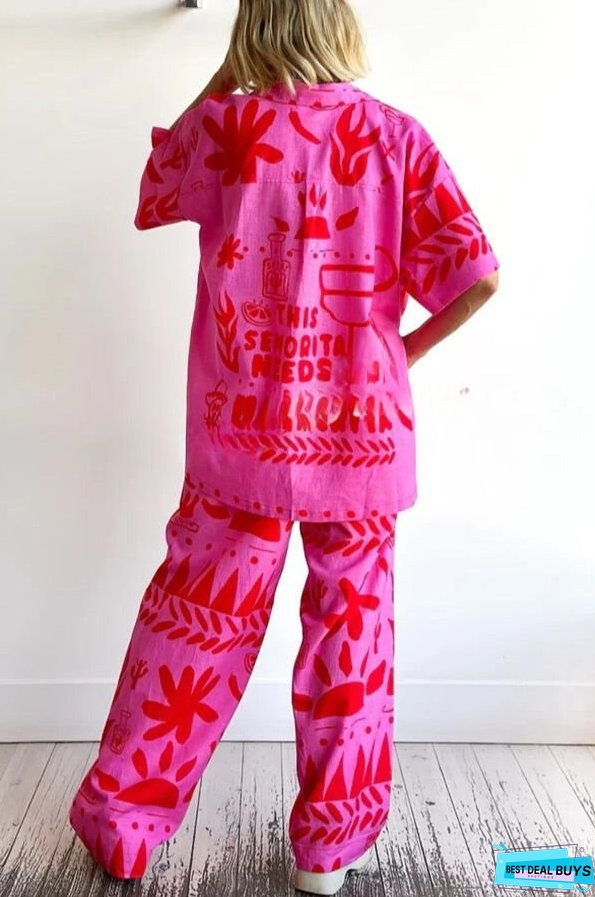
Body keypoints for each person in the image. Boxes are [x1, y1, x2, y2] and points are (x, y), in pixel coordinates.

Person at [68, 0, 500, 893]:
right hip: (361, 433)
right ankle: (327, 854)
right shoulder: (396, 138)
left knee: (190, 632)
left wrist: (226, 74)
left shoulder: (225, 130)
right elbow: (479, 276)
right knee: (351, 639)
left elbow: (155, 187)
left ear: (253, 27)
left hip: (240, 435)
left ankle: (122, 828)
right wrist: (399, 353)